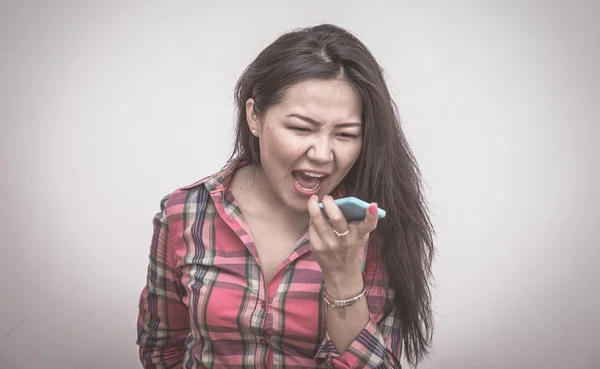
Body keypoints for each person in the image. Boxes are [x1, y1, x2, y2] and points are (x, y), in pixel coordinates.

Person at [136, 24, 435, 369]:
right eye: (301, 128)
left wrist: (342, 277)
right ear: (254, 116)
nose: (323, 153)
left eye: (346, 134)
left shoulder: (371, 228)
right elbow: (162, 351)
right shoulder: (185, 212)